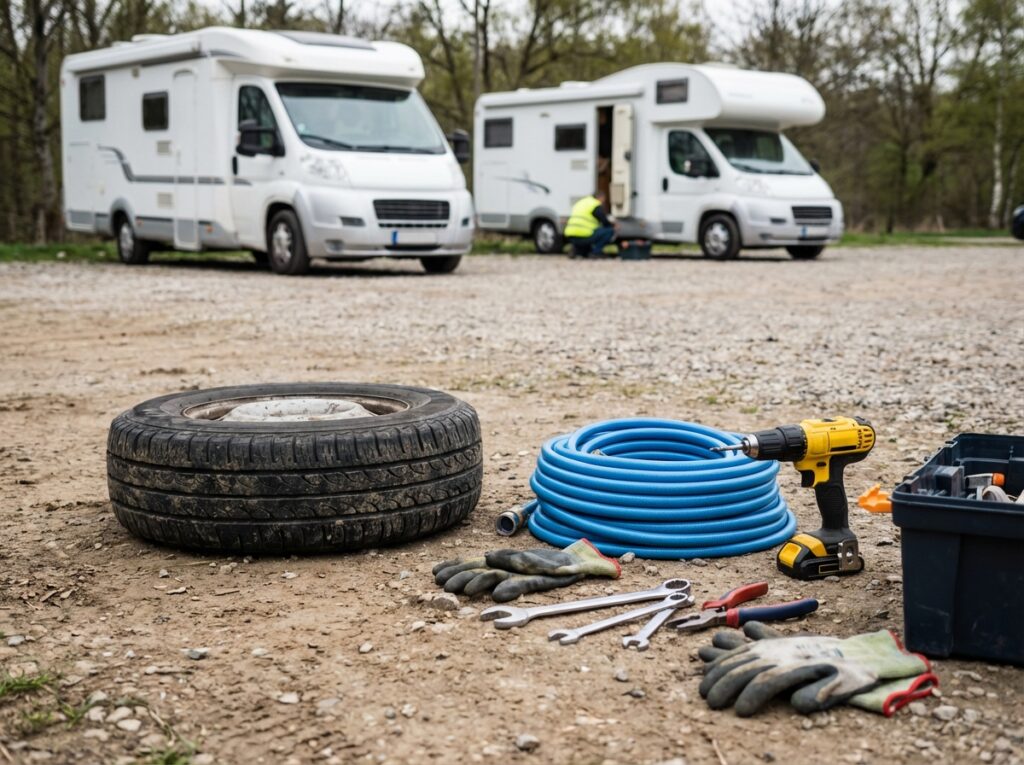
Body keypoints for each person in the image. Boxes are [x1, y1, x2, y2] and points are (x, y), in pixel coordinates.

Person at [563, 190, 617, 258]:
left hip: (570, 234)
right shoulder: (595, 204)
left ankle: (577, 250)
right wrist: (613, 226)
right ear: (601, 197)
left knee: (586, 239)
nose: (603, 202)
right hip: (584, 234)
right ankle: (596, 252)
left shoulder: (581, 202)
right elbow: (604, 221)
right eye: (604, 199)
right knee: (609, 231)